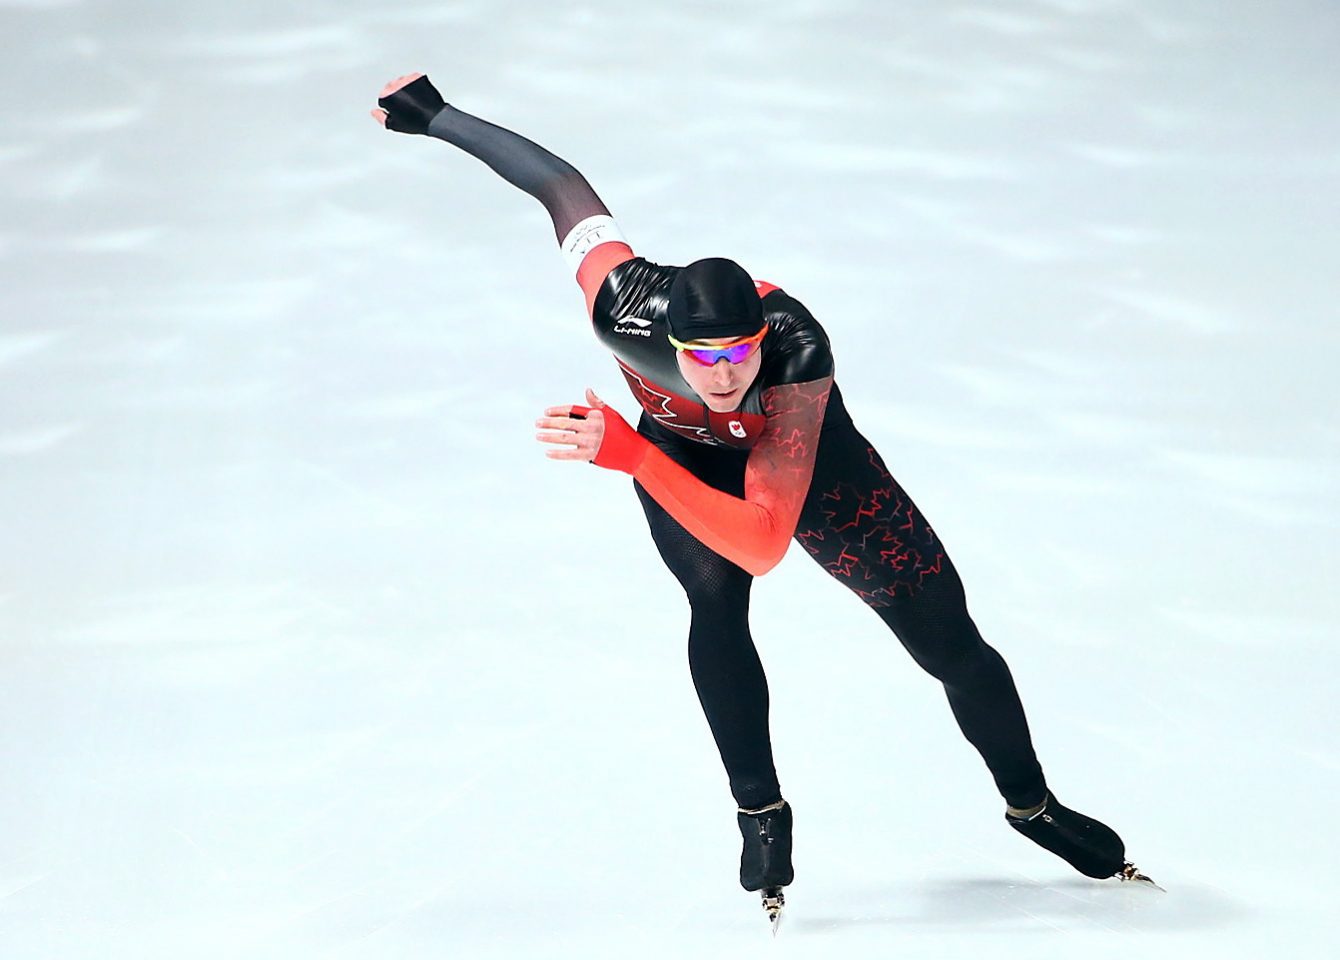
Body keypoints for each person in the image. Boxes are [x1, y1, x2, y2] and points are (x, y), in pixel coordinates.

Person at [371, 72, 1151, 922]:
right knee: (714, 605)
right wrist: (439, 117)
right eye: (703, 359)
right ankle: (761, 812)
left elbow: (765, 543)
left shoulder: (797, 354)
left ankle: (1032, 804)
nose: (726, 373)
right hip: (685, 457)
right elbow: (559, 186)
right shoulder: (622, 302)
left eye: (740, 352)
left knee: (952, 645)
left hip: (815, 473)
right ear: (667, 338)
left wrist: (631, 455)